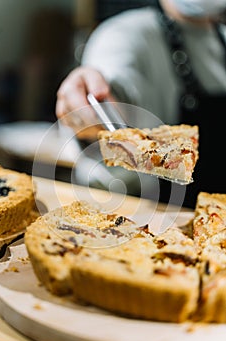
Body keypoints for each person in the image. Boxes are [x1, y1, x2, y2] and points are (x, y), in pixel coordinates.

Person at [56, 0, 226, 209]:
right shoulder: (124, 35)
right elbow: (115, 88)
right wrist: (91, 106)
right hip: (161, 217)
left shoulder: (221, 36)